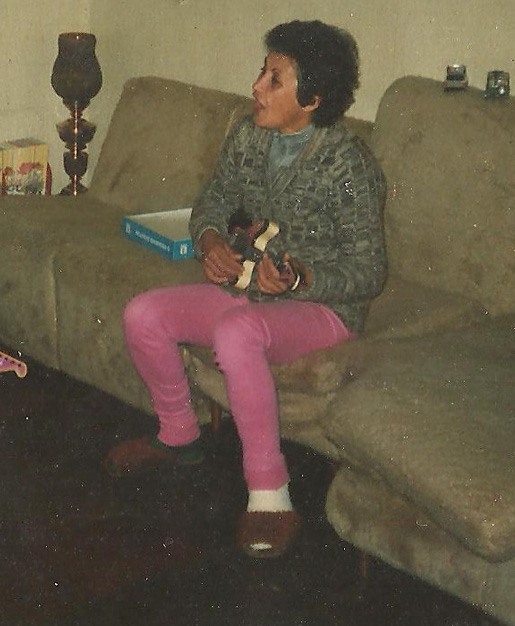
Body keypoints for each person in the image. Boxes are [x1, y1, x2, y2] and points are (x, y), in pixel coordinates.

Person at [104, 21, 387, 558]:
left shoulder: (348, 164)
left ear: (313, 99)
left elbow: (369, 270)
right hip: (250, 291)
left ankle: (271, 493)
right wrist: (210, 241)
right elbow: (212, 200)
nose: (257, 86)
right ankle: (178, 435)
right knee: (144, 314)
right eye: (263, 72)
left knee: (236, 332)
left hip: (324, 310)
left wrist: (302, 278)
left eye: (274, 79)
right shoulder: (248, 134)